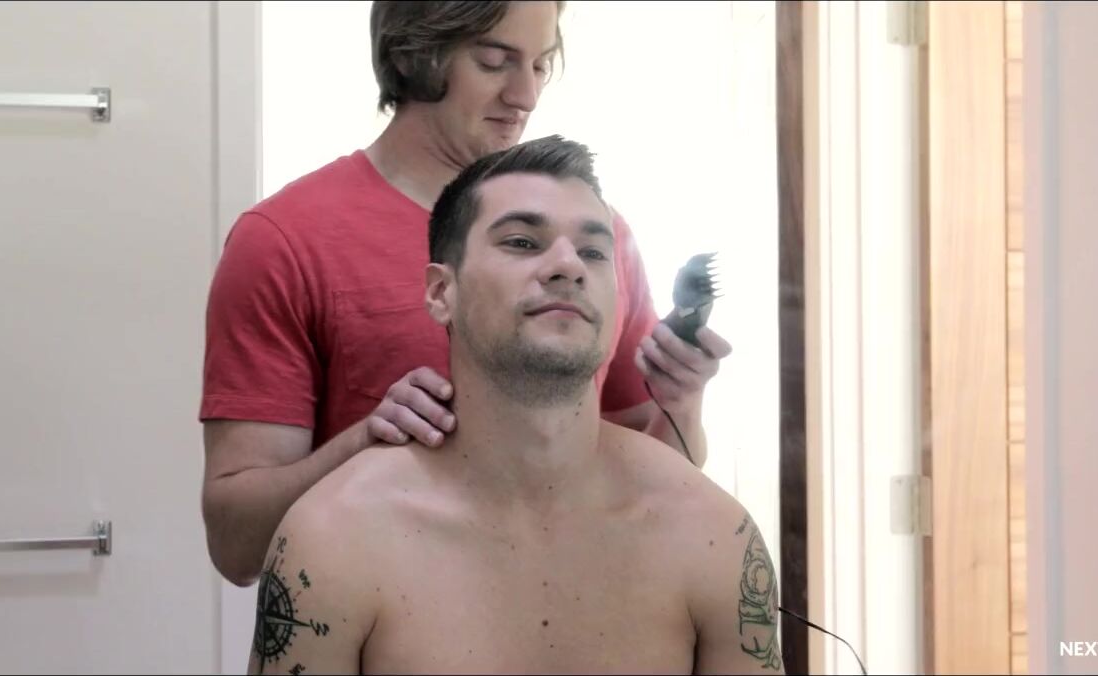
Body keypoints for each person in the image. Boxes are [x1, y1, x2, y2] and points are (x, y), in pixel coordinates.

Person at [200, 0, 732, 588]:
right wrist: (363, 446)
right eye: (495, 61)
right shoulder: (284, 241)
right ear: (416, 55)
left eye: (541, 64)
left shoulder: (593, 242)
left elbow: (649, 487)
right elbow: (236, 544)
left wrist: (681, 404)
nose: (526, 96)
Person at [246, 135, 781, 675]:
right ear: (440, 292)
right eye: (523, 242)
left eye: (594, 252)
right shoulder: (335, 539)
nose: (569, 265)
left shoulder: (711, 535)